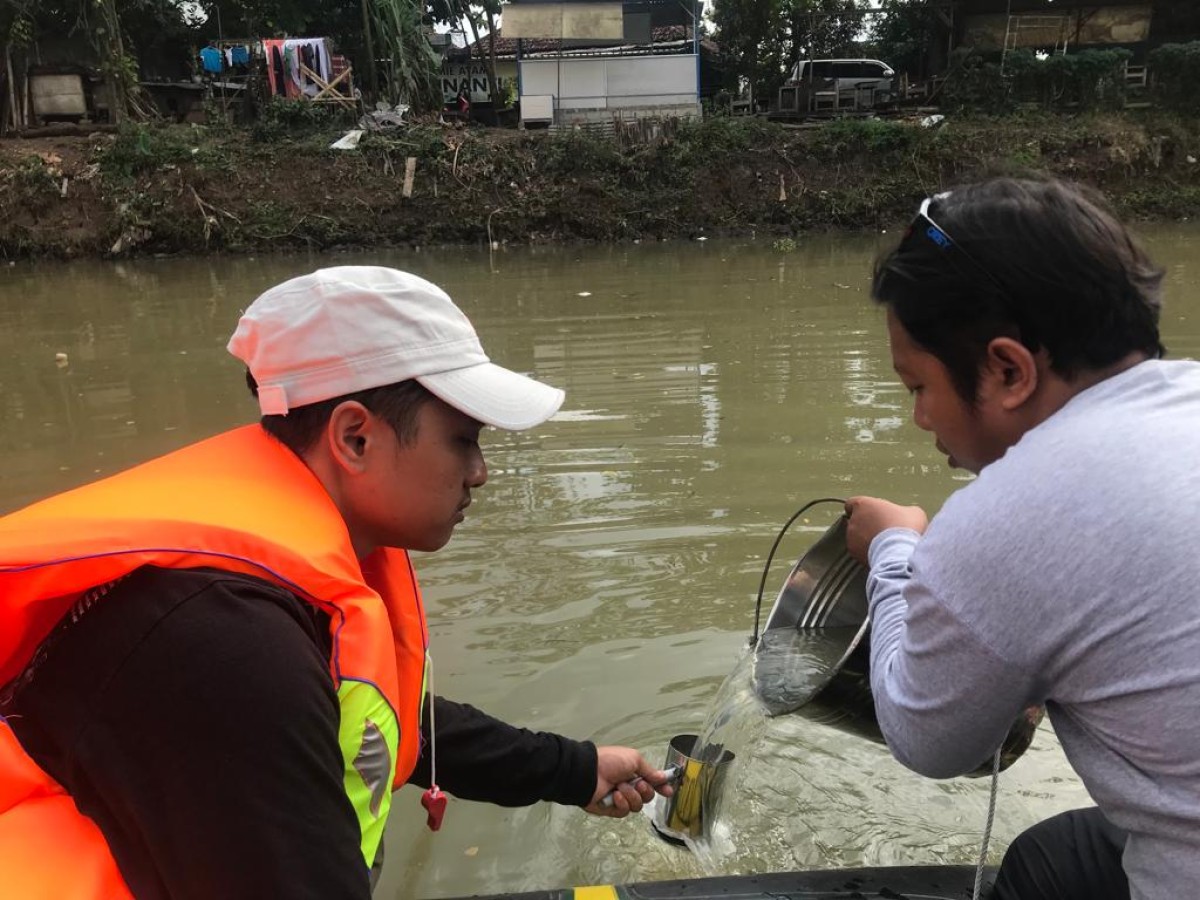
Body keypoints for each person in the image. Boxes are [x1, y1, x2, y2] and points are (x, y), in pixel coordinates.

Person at [0, 267, 673, 900]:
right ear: (354, 438)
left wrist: (573, 769)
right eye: (463, 440)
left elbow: (371, 716)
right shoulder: (226, 646)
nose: (480, 472)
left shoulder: (267, 579)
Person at [842, 178, 1200, 900]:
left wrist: (895, 550)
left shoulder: (1004, 518)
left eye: (917, 387)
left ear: (1008, 370)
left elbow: (925, 740)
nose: (919, 418)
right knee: (1053, 859)